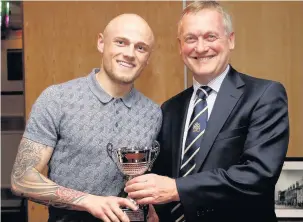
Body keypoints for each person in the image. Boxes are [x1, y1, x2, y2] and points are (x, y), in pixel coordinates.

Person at [124, 1, 289, 222]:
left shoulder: (264, 95)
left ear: (230, 40)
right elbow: (162, 178)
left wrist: (177, 189)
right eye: (191, 39)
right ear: (180, 45)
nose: (200, 48)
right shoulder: (170, 109)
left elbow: (258, 175)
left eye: (211, 37)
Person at [11, 14, 162, 222]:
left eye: (140, 47)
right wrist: (88, 201)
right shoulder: (57, 99)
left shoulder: (153, 113)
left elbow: (141, 177)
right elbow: (22, 179)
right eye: (121, 42)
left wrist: (150, 208)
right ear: (101, 43)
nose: (129, 54)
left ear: (147, 58)